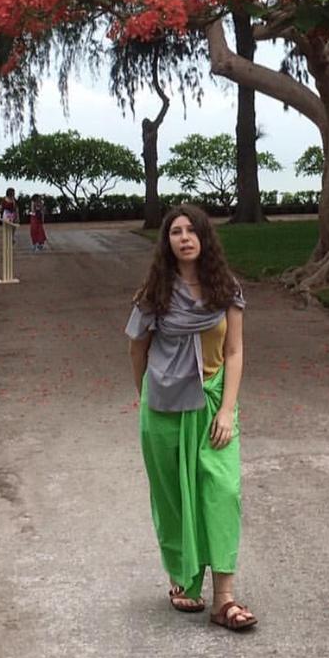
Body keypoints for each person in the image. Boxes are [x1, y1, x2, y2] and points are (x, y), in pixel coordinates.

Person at [126, 204, 257, 631]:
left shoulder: (226, 289)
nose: (184, 237)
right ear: (166, 242)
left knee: (222, 490)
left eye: (191, 230)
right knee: (173, 496)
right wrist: (145, 395)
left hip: (214, 399)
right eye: (175, 232)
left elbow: (235, 352)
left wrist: (227, 409)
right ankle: (183, 579)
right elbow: (137, 348)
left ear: (204, 237)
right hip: (164, 403)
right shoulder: (154, 293)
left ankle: (224, 599)